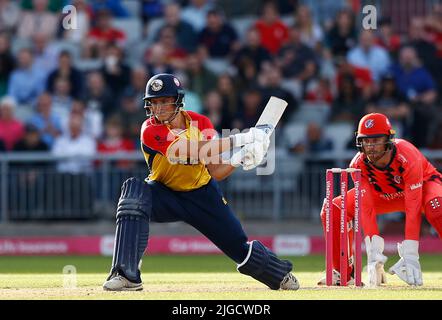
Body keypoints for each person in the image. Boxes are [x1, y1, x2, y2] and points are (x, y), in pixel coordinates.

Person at [102, 73, 299, 291]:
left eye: (164, 101)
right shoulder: (150, 129)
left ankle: (280, 274)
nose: (158, 109)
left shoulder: (201, 123)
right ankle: (126, 275)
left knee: (239, 248)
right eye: (153, 103)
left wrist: (239, 159)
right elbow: (188, 151)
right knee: (134, 193)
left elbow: (215, 170)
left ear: (177, 101)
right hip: (164, 193)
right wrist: (243, 138)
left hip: (203, 195)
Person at [318, 113, 442, 287]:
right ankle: (343, 272)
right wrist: (373, 253)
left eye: (376, 140)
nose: (371, 146)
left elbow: (413, 208)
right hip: (383, 195)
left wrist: (411, 253)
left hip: (423, 188)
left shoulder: (407, 156)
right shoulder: (357, 165)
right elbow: (366, 207)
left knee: (438, 208)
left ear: (389, 139)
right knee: (334, 209)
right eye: (366, 141)